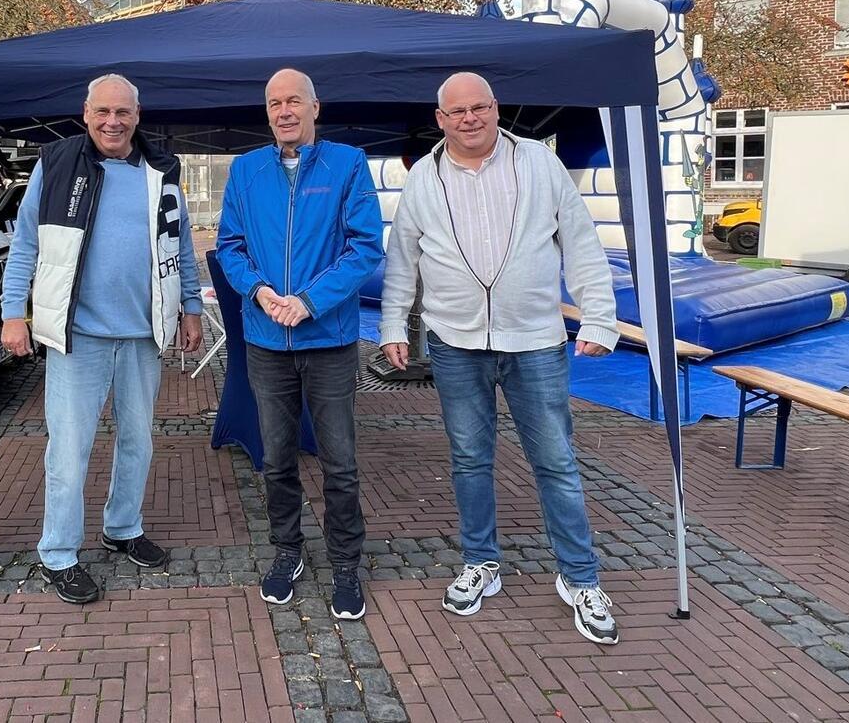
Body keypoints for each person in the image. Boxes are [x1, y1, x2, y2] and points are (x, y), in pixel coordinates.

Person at [378, 71, 621, 645]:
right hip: (455, 342)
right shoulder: (424, 180)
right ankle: (481, 562)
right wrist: (393, 324)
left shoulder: (538, 161)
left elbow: (582, 243)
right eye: (456, 111)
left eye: (479, 107)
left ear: (495, 108)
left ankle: (580, 577)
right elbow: (402, 260)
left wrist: (600, 318)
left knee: (557, 461)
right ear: (440, 119)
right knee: (468, 459)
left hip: (534, 338)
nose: (469, 119)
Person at [0, 73, 204, 604]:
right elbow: (24, 245)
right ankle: (59, 554)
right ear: (85, 113)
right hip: (78, 337)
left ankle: (123, 528)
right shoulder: (57, 162)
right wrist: (12, 314)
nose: (113, 122)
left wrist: (191, 306)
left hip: (142, 334)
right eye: (103, 112)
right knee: (69, 451)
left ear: (138, 115)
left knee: (138, 441)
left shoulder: (162, 171)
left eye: (123, 113)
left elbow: (179, 249)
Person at [217, 68, 383, 620]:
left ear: (316, 107)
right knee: (276, 458)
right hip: (266, 339)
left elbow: (364, 248)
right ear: (266, 113)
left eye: (294, 101)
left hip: (329, 339)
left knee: (339, 462)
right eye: (273, 103)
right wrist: (262, 292)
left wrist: (309, 301)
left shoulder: (346, 164)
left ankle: (344, 564)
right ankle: (287, 552)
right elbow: (231, 247)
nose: (284, 111)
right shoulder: (245, 171)